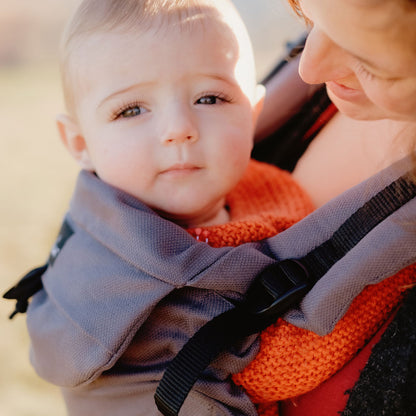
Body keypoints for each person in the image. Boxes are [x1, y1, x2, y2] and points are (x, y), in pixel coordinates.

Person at [15, 0, 416, 414]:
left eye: (209, 98)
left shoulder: (254, 188)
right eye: (131, 109)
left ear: (252, 114)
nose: (178, 130)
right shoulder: (162, 269)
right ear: (80, 144)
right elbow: (287, 359)